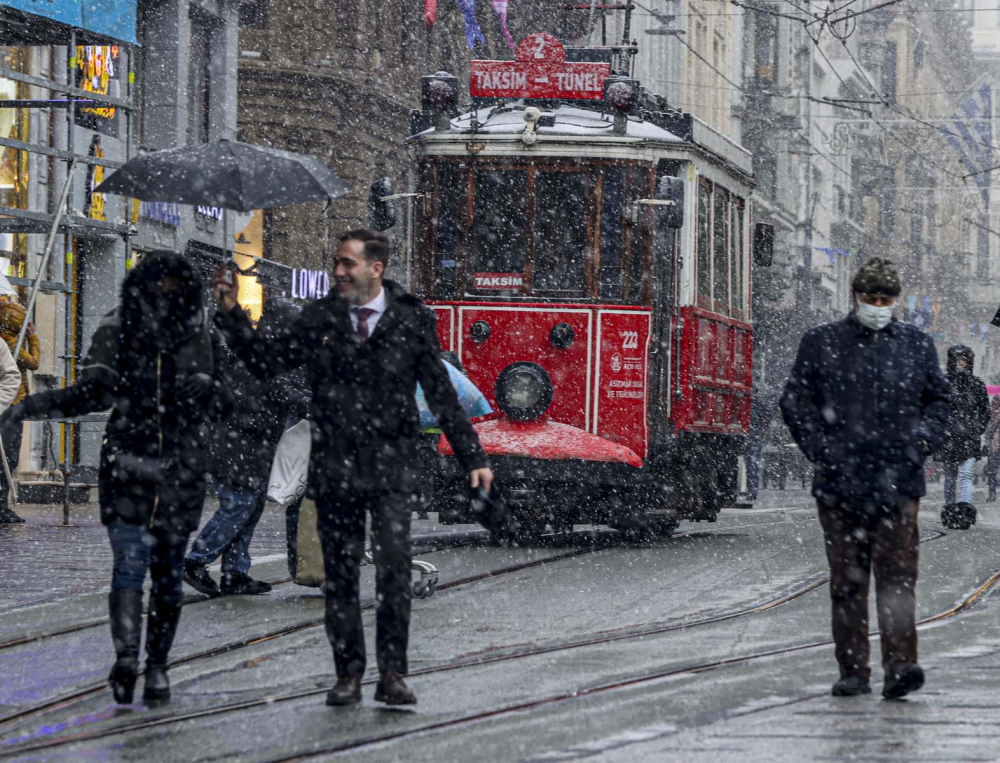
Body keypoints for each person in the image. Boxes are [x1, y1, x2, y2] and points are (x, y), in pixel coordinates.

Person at [211, 229, 493, 707]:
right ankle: (347, 674)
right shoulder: (319, 317)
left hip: (391, 467)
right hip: (335, 465)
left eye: (348, 263)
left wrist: (473, 457)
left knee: (393, 574)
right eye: (336, 263)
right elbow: (266, 363)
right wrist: (232, 314)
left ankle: (392, 675)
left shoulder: (410, 318)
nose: (339, 271)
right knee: (340, 577)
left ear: (375, 269)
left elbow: (441, 391)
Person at [0, 252, 230, 705]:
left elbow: (230, 396)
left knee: (156, 571)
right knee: (139, 567)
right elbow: (95, 391)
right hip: (135, 463)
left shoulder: (202, 330)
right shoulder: (128, 324)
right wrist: (32, 407)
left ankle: (153, 664)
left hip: (172, 467)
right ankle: (135, 660)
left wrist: (210, 388)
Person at [780, 256, 948, 700]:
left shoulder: (916, 344)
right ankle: (854, 670)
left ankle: (900, 667)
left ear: (895, 300)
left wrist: (922, 439)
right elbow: (795, 401)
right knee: (848, 581)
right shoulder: (822, 342)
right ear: (855, 296)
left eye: (885, 298)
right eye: (871, 297)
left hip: (898, 484)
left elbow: (939, 401)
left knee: (897, 581)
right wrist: (822, 450)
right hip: (841, 485)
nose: (878, 304)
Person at [184, 296, 309, 596]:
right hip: (236, 445)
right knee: (239, 505)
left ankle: (235, 573)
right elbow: (282, 391)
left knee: (249, 507)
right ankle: (195, 561)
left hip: (248, 447)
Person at [0, 299, 40, 524]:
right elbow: (34, 362)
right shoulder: (11, 343)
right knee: (7, 456)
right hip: (11, 405)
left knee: (8, 456)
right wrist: (32, 336)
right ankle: (2, 506)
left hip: (12, 404)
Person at [936, 346, 989, 513]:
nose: (961, 363)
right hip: (949, 438)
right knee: (950, 478)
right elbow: (935, 408)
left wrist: (976, 429)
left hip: (969, 438)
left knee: (966, 475)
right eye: (958, 360)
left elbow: (984, 411)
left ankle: (965, 508)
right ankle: (950, 508)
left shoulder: (977, 385)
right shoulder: (943, 383)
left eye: (964, 360)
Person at [985, 396, 1000, 501]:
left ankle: (992, 494)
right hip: (993, 448)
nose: (994, 405)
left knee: (992, 472)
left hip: (995, 447)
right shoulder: (990, 416)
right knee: (992, 472)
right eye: (993, 403)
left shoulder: (993, 416)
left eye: (996, 403)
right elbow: (987, 433)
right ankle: (992, 494)